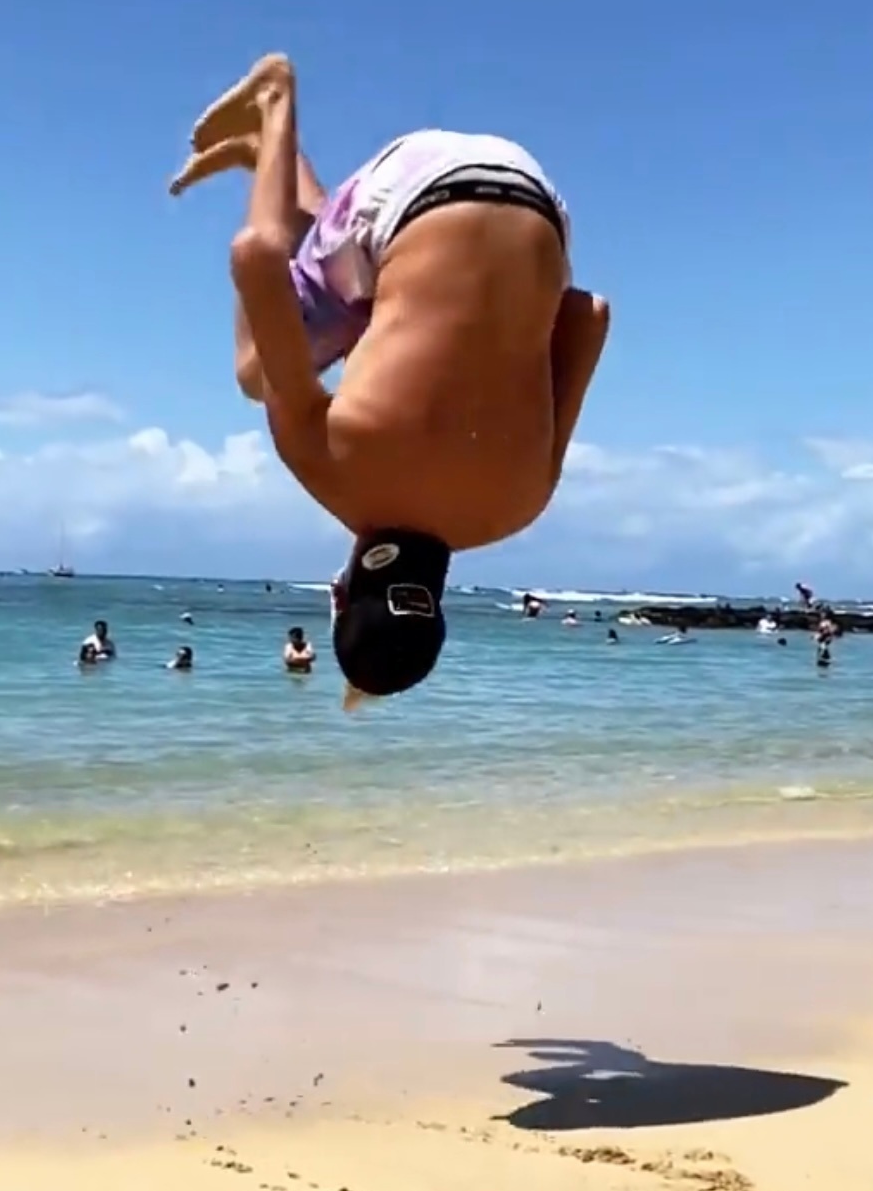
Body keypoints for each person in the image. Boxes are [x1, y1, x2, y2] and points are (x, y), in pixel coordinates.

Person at [169, 54, 610, 705]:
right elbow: (256, 257)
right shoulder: (328, 463)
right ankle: (273, 107)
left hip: (535, 199)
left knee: (360, 308)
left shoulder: (521, 504)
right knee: (257, 372)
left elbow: (587, 313)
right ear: (339, 594)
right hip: (415, 183)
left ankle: (278, 159)